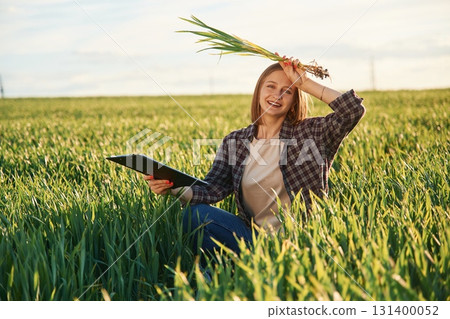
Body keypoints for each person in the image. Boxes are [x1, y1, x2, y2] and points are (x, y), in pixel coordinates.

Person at [143, 57, 366, 259]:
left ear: (294, 99)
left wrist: (304, 82)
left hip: (300, 244)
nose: (277, 95)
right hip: (252, 240)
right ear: (259, 91)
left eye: (287, 90)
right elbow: (213, 188)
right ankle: (214, 275)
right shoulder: (235, 141)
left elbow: (352, 111)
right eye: (270, 86)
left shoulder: (313, 133)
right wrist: (172, 186)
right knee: (195, 214)